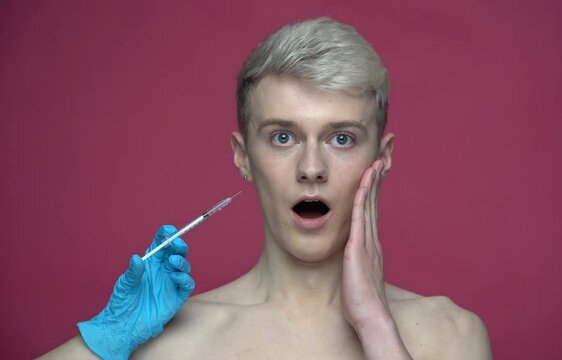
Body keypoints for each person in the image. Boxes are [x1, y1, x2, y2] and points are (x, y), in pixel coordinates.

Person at [41, 17, 491, 359]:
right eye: (282, 137)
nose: (311, 168)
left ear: (383, 157)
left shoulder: (449, 337)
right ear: (243, 157)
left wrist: (376, 327)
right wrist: (101, 342)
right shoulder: (174, 346)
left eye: (341, 138)